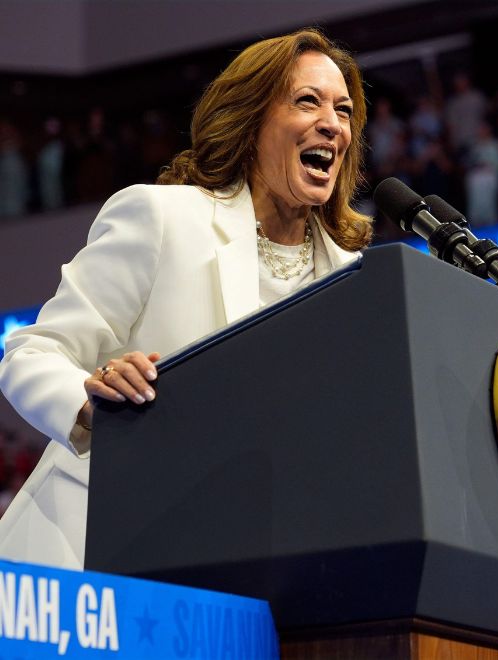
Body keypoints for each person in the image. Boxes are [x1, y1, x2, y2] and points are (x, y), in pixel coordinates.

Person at [0, 28, 371, 569]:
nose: (332, 125)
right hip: (91, 558)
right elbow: (30, 353)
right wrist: (91, 399)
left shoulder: (354, 283)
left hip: (254, 569)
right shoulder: (164, 219)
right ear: (251, 122)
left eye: (344, 111)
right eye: (307, 101)